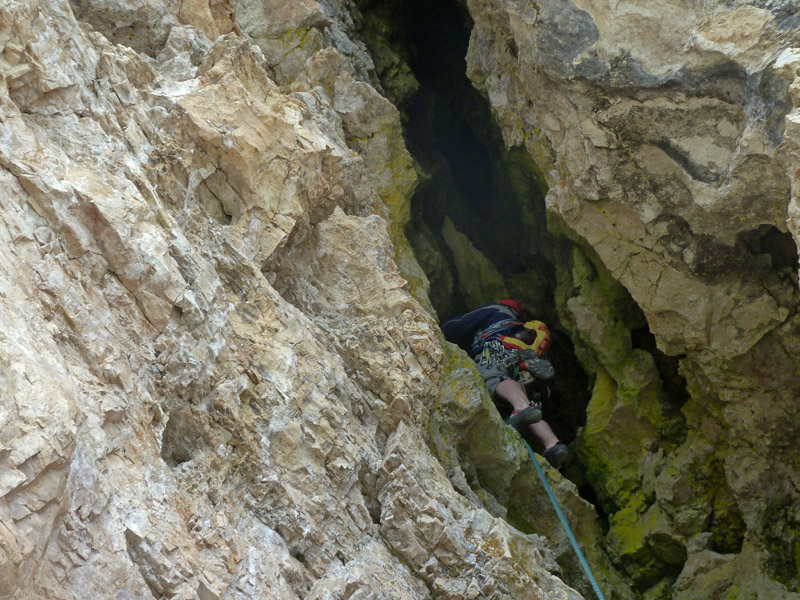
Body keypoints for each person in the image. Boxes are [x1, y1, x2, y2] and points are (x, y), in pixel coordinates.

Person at [441, 299, 569, 468]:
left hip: (497, 345)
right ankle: (552, 445)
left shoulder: (494, 309)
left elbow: (458, 324)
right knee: (530, 412)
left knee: (494, 378)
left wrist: (437, 330)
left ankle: (521, 406)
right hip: (519, 353)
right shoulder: (519, 325)